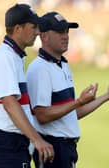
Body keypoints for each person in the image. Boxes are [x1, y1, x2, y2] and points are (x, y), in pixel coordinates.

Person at [26, 11, 109, 168]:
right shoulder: (39, 69)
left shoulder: (62, 65)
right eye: (59, 31)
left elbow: (71, 114)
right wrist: (78, 102)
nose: (65, 36)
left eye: (66, 31)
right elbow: (42, 115)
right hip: (52, 149)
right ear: (44, 36)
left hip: (66, 149)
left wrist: (105, 96)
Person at [0, 4, 54, 168]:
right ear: (18, 28)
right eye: (33, 27)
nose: (37, 32)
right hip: (6, 143)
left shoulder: (13, 56)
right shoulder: (5, 57)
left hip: (12, 143)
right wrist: (37, 139)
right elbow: (10, 104)